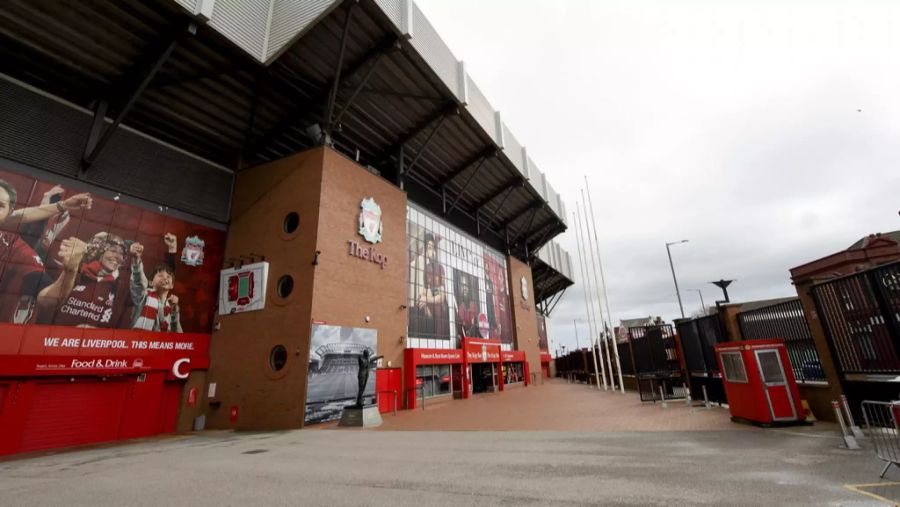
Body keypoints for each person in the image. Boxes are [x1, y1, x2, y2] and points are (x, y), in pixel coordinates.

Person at [0, 179, 91, 323]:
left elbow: (48, 300)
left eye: (0, 206)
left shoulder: (12, 246)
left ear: (8, 213)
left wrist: (70, 270)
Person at [39, 232, 126, 327]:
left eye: (121, 253)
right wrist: (70, 271)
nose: (118, 257)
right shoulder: (73, 270)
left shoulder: (120, 287)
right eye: (113, 250)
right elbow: (45, 303)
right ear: (99, 251)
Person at [128, 234, 182, 333]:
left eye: (168, 277)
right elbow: (138, 280)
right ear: (151, 282)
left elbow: (177, 337)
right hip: (137, 344)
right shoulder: (143, 297)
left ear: (172, 285)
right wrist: (136, 259)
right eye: (160, 275)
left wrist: (174, 312)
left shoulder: (172, 307)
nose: (165, 278)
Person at [409, 232, 448, 339]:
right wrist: (424, 302)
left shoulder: (440, 269)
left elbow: (442, 297)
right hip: (426, 314)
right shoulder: (425, 267)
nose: (430, 251)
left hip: (438, 315)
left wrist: (426, 299)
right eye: (428, 247)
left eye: (431, 248)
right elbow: (425, 289)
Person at [455, 272, 479, 338]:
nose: (464, 288)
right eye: (462, 285)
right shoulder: (459, 308)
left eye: (466, 285)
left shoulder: (474, 305)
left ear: (468, 287)